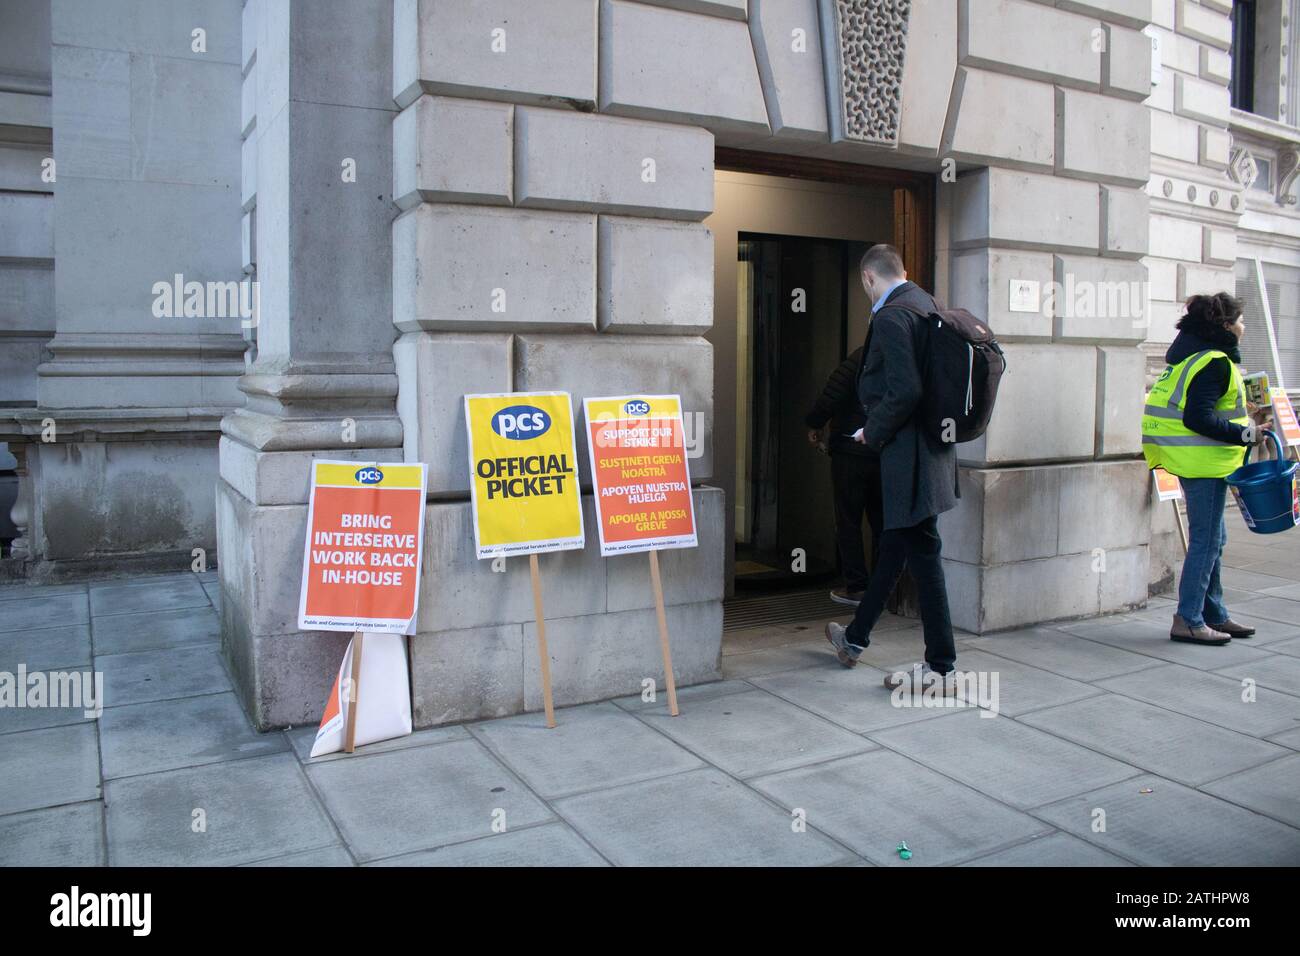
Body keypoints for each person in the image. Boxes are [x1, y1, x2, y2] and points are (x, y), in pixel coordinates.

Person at [825, 244, 961, 695]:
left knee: (924, 557)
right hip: (933, 453)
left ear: (868, 277)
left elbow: (905, 390)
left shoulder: (891, 316)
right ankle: (855, 639)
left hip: (910, 459)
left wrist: (871, 430)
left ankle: (941, 667)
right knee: (895, 546)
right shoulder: (926, 304)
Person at [1141, 292, 1271, 645]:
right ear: (1226, 326)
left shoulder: (1190, 358)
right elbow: (1198, 417)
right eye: (1240, 320)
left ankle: (1214, 614)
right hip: (1204, 463)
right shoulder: (1214, 362)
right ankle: (1189, 619)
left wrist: (1245, 420)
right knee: (1206, 541)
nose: (1244, 326)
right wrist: (1248, 433)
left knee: (1215, 538)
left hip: (1191, 459)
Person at [805, 346, 883, 606]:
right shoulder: (903, 359)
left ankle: (857, 586)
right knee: (881, 521)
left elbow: (831, 395)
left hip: (851, 453)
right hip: (883, 453)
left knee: (848, 521)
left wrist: (814, 423)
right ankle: (884, 587)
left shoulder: (860, 358)